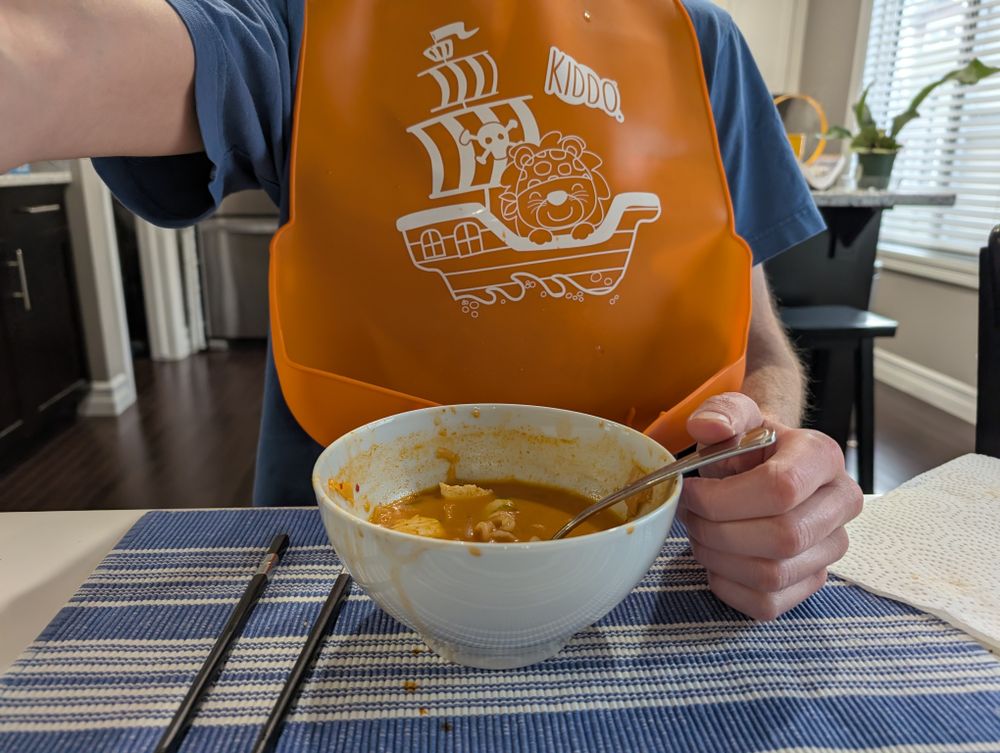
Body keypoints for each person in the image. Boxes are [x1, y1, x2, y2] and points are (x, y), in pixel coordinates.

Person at [0, 0, 863, 620]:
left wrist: (765, 466)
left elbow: (764, 354)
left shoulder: (700, 41)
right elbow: (52, 56)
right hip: (346, 569)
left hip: (661, 558)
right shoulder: (294, 27)